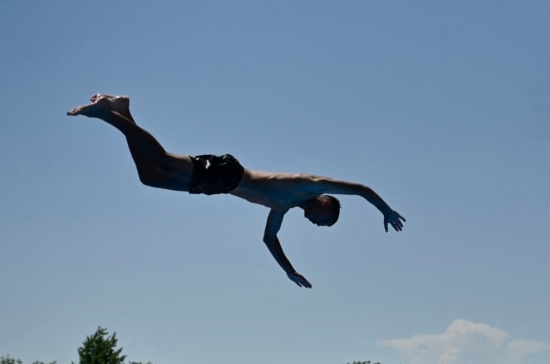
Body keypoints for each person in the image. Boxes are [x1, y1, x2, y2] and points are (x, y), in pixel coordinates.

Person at [67, 94, 406, 288]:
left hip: (218, 186)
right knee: (161, 159)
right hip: (228, 171)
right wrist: (385, 210)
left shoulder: (283, 207)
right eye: (324, 220)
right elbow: (361, 188)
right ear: (324, 204)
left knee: (150, 177)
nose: (318, 225)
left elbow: (269, 239)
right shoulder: (310, 184)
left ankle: (122, 110)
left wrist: (289, 270)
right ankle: (107, 114)